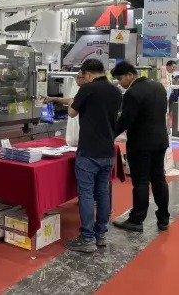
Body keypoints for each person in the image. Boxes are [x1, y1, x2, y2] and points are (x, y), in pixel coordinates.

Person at [65, 59, 122, 253]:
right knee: (103, 193)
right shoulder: (116, 91)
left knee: (86, 194)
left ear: (87, 73)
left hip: (89, 151)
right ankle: (101, 235)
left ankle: (87, 238)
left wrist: (73, 99)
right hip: (108, 150)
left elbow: (71, 113)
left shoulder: (87, 89)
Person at [111, 61, 170, 232]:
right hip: (160, 140)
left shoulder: (133, 92)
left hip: (141, 143)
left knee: (141, 181)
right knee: (159, 178)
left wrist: (109, 135)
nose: (120, 83)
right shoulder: (158, 86)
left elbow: (125, 120)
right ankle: (164, 218)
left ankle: (137, 219)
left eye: (120, 78)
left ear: (130, 75)